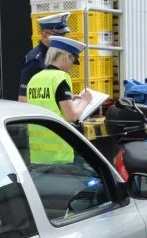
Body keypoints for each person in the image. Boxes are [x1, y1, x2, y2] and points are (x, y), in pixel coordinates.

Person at [24, 36, 94, 164]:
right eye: (73, 60)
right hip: (59, 156)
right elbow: (71, 116)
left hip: (37, 155)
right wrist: (85, 100)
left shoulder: (35, 78)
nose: (72, 66)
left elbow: (46, 102)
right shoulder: (61, 77)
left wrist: (68, 98)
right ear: (66, 57)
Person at [18, 12, 71, 102]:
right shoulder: (35, 60)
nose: (63, 39)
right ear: (44, 35)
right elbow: (23, 98)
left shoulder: (57, 54)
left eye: (64, 35)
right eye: (59, 36)